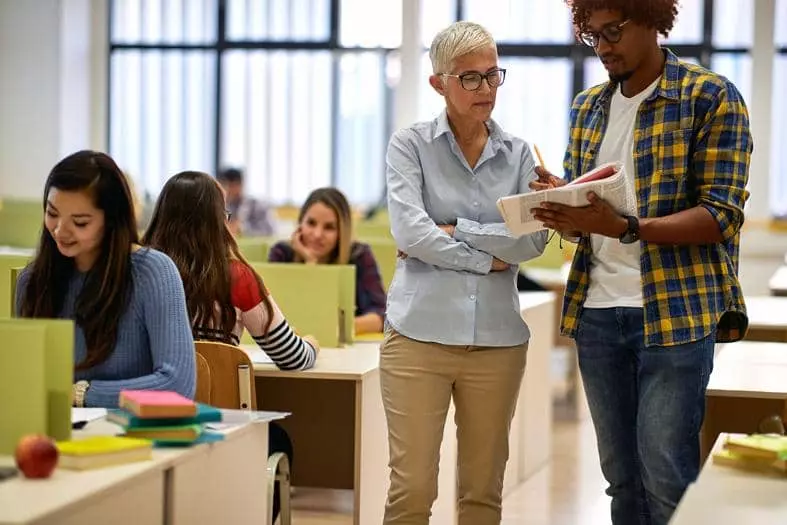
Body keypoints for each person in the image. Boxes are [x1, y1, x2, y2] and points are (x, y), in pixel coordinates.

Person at [530, 2, 752, 524]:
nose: (603, 46)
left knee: (665, 477)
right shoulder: (588, 108)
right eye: (592, 36)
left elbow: (721, 214)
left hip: (674, 314)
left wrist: (626, 227)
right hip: (598, 314)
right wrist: (564, 208)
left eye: (613, 32)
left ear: (653, 19)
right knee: (621, 482)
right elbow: (592, 215)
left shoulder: (709, 97)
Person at [382, 21, 547, 525]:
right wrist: (489, 257)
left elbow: (533, 240)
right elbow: (411, 234)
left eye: (493, 75)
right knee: (411, 492)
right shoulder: (410, 146)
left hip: (497, 343)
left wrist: (456, 231)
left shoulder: (518, 154)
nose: (486, 89)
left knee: (482, 495)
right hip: (418, 338)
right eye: (470, 78)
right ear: (439, 83)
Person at [142, 170, 318, 521]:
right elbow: (292, 357)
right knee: (279, 439)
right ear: (216, 221)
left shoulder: (139, 271)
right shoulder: (236, 277)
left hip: (148, 425)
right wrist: (312, 344)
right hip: (223, 429)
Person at [16, 150, 196, 408]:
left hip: (134, 440)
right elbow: (27, 382)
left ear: (111, 220)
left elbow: (178, 385)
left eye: (80, 222)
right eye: (52, 213)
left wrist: (81, 394)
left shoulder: (152, 272)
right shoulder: (32, 281)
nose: (60, 230)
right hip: (56, 438)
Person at [268, 187, 386, 335]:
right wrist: (310, 262)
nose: (317, 234)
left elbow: (380, 315)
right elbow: (270, 313)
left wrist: (330, 328)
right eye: (311, 223)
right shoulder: (281, 254)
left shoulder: (359, 255)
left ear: (342, 232)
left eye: (329, 227)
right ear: (300, 223)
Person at [217, 167, 276, 237]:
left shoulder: (257, 206)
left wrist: (242, 229)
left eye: (231, 186)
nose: (226, 191)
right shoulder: (222, 207)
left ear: (240, 185)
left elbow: (270, 230)